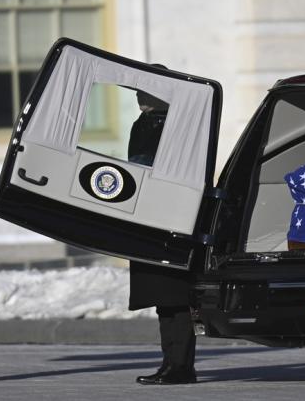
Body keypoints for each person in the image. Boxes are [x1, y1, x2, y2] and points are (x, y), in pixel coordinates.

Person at [126, 83, 197, 385]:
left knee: (173, 295)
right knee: (161, 297)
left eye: (144, 92)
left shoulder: (175, 124)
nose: (138, 98)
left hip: (168, 217)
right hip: (149, 215)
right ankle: (171, 362)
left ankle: (180, 365)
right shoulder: (143, 123)